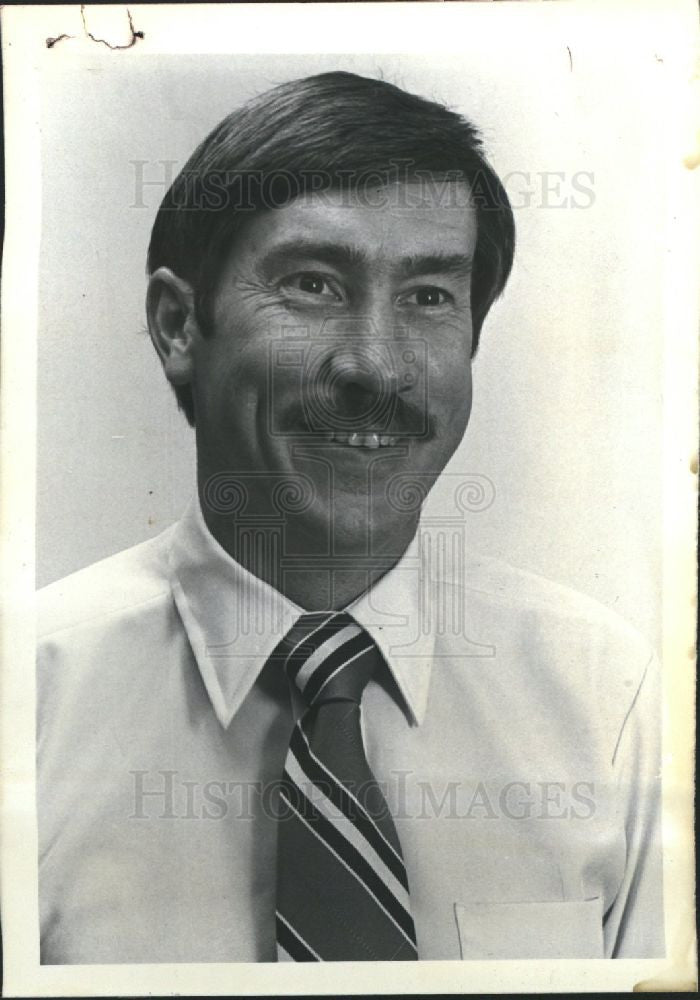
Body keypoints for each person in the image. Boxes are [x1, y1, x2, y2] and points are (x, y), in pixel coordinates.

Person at [37, 71, 663, 964]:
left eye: (429, 297)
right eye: (314, 285)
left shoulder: (607, 700)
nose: (377, 366)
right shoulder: (24, 699)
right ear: (179, 327)